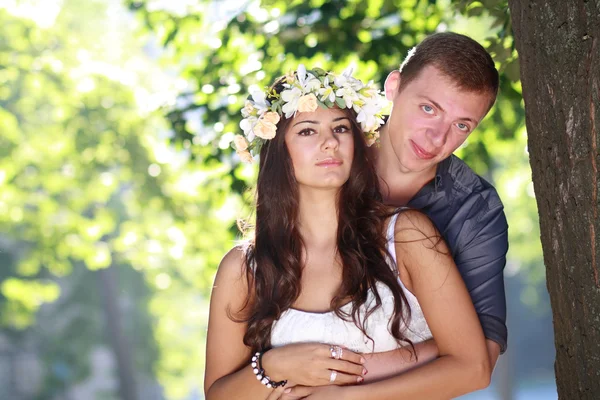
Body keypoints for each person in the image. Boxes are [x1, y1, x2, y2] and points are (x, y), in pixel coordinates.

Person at [204, 65, 491, 400]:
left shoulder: (407, 235)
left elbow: (474, 368)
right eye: (308, 131)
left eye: (340, 128)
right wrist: (273, 366)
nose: (329, 143)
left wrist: (345, 396)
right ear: (279, 150)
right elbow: (218, 395)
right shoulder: (244, 269)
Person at [366, 32, 509, 376]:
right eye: (429, 108)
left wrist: (353, 375)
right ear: (394, 87)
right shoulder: (330, 153)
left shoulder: (476, 210)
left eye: (461, 125)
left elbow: (482, 355)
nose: (438, 138)